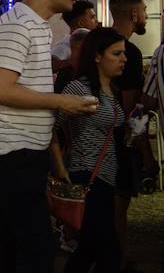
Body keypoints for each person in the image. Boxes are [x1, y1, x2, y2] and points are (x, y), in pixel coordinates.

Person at [0, 0, 99, 273]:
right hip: (11, 149)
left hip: (25, 147)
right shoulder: (18, 26)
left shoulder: (37, 26)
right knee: (38, 246)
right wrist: (62, 102)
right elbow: (2, 90)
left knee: (15, 241)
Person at [50, 27, 127, 272]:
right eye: (116, 54)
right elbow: (50, 126)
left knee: (89, 249)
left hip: (106, 177)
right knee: (108, 252)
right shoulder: (79, 89)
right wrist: (60, 167)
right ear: (97, 56)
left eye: (123, 53)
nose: (123, 59)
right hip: (86, 176)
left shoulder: (111, 91)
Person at [107, 0, 157, 270]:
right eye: (146, 10)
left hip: (94, 136)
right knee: (118, 206)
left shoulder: (97, 43)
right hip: (118, 141)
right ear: (134, 14)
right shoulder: (129, 52)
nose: (147, 15)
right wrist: (146, 154)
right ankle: (115, 260)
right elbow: (132, 110)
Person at [51, 0, 97, 66]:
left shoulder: (90, 42)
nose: (96, 20)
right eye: (92, 17)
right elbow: (52, 65)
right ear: (80, 23)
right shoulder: (64, 47)